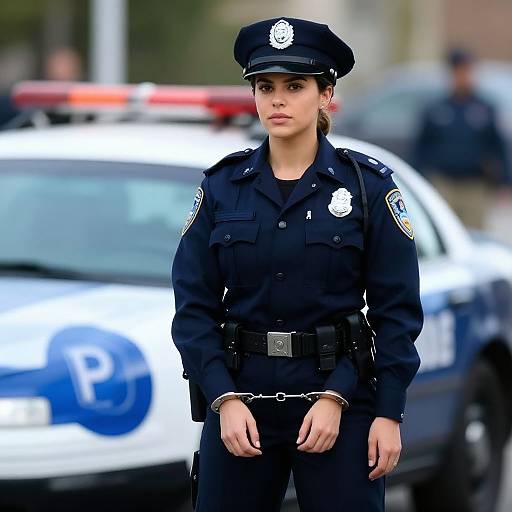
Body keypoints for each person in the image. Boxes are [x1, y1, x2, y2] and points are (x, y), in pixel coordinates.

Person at [171, 16, 423, 511]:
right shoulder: (222, 187)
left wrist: (384, 412)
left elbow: (397, 313)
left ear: (326, 95)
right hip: (241, 406)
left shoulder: (367, 189)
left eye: (295, 86)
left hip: (341, 401)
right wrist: (222, 397)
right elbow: (193, 308)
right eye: (266, 87)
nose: (278, 100)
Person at [411, 47, 511, 230]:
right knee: (445, 230)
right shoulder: (437, 109)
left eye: (468, 70)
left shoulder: (485, 108)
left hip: (475, 184)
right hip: (444, 183)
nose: (463, 76)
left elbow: (499, 146)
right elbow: (421, 147)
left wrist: (505, 181)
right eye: (459, 70)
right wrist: (419, 177)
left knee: (475, 233)